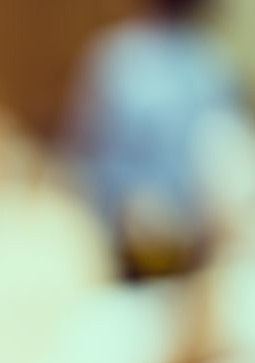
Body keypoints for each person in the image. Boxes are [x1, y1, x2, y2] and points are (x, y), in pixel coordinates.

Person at [66, 0, 244, 279]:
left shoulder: (211, 64)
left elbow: (226, 163)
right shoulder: (117, 59)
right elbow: (84, 161)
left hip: (192, 248)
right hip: (124, 244)